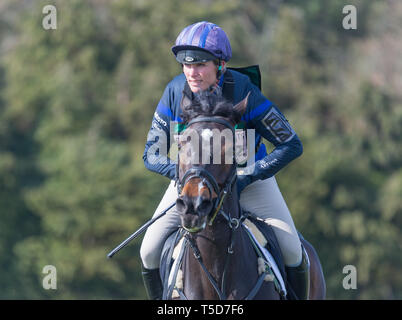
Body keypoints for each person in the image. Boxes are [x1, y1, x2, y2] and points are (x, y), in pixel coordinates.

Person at [141, 21, 309, 300]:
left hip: (250, 181)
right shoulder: (174, 92)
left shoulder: (244, 90)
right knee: (148, 250)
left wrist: (251, 175)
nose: (191, 73)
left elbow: (291, 143)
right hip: (192, 185)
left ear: (220, 65)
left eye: (200, 65)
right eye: (186, 65)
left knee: (292, 249)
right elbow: (151, 153)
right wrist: (188, 176)